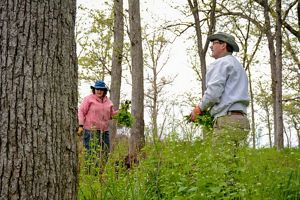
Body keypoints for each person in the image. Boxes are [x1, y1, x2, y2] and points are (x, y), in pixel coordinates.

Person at [190, 32, 250, 150]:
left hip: (227, 121)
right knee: (235, 164)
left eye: (214, 43)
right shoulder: (238, 67)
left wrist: (198, 109)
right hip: (242, 122)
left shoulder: (221, 62)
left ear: (223, 45)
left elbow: (213, 93)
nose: (211, 46)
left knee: (220, 163)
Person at [77, 80, 118, 164]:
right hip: (91, 131)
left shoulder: (109, 102)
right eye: (97, 89)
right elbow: (81, 111)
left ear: (104, 91)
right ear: (94, 89)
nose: (99, 91)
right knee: (91, 154)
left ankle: (102, 173)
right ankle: (90, 173)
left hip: (104, 132)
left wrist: (121, 112)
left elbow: (111, 115)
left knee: (106, 153)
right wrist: (80, 125)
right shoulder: (88, 99)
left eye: (101, 89)